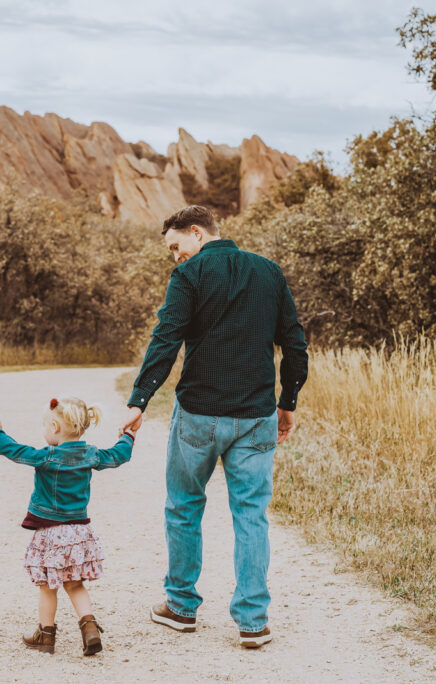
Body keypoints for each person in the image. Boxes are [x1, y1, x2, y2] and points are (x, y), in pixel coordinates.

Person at [121, 205, 308, 649]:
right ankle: (253, 621)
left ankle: (181, 607)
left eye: (175, 246)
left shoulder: (189, 275)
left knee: (184, 507)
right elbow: (294, 342)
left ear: (197, 232)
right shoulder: (268, 272)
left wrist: (139, 400)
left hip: (198, 415)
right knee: (251, 514)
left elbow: (166, 337)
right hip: (256, 416)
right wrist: (288, 402)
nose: (175, 256)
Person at [0, 397, 135, 656]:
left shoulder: (46, 457)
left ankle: (46, 635)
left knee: (48, 586)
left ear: (54, 427)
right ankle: (90, 628)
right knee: (75, 584)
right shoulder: (91, 455)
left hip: (51, 533)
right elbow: (119, 455)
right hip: (78, 532)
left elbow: (11, 449)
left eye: (45, 425)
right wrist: (128, 435)